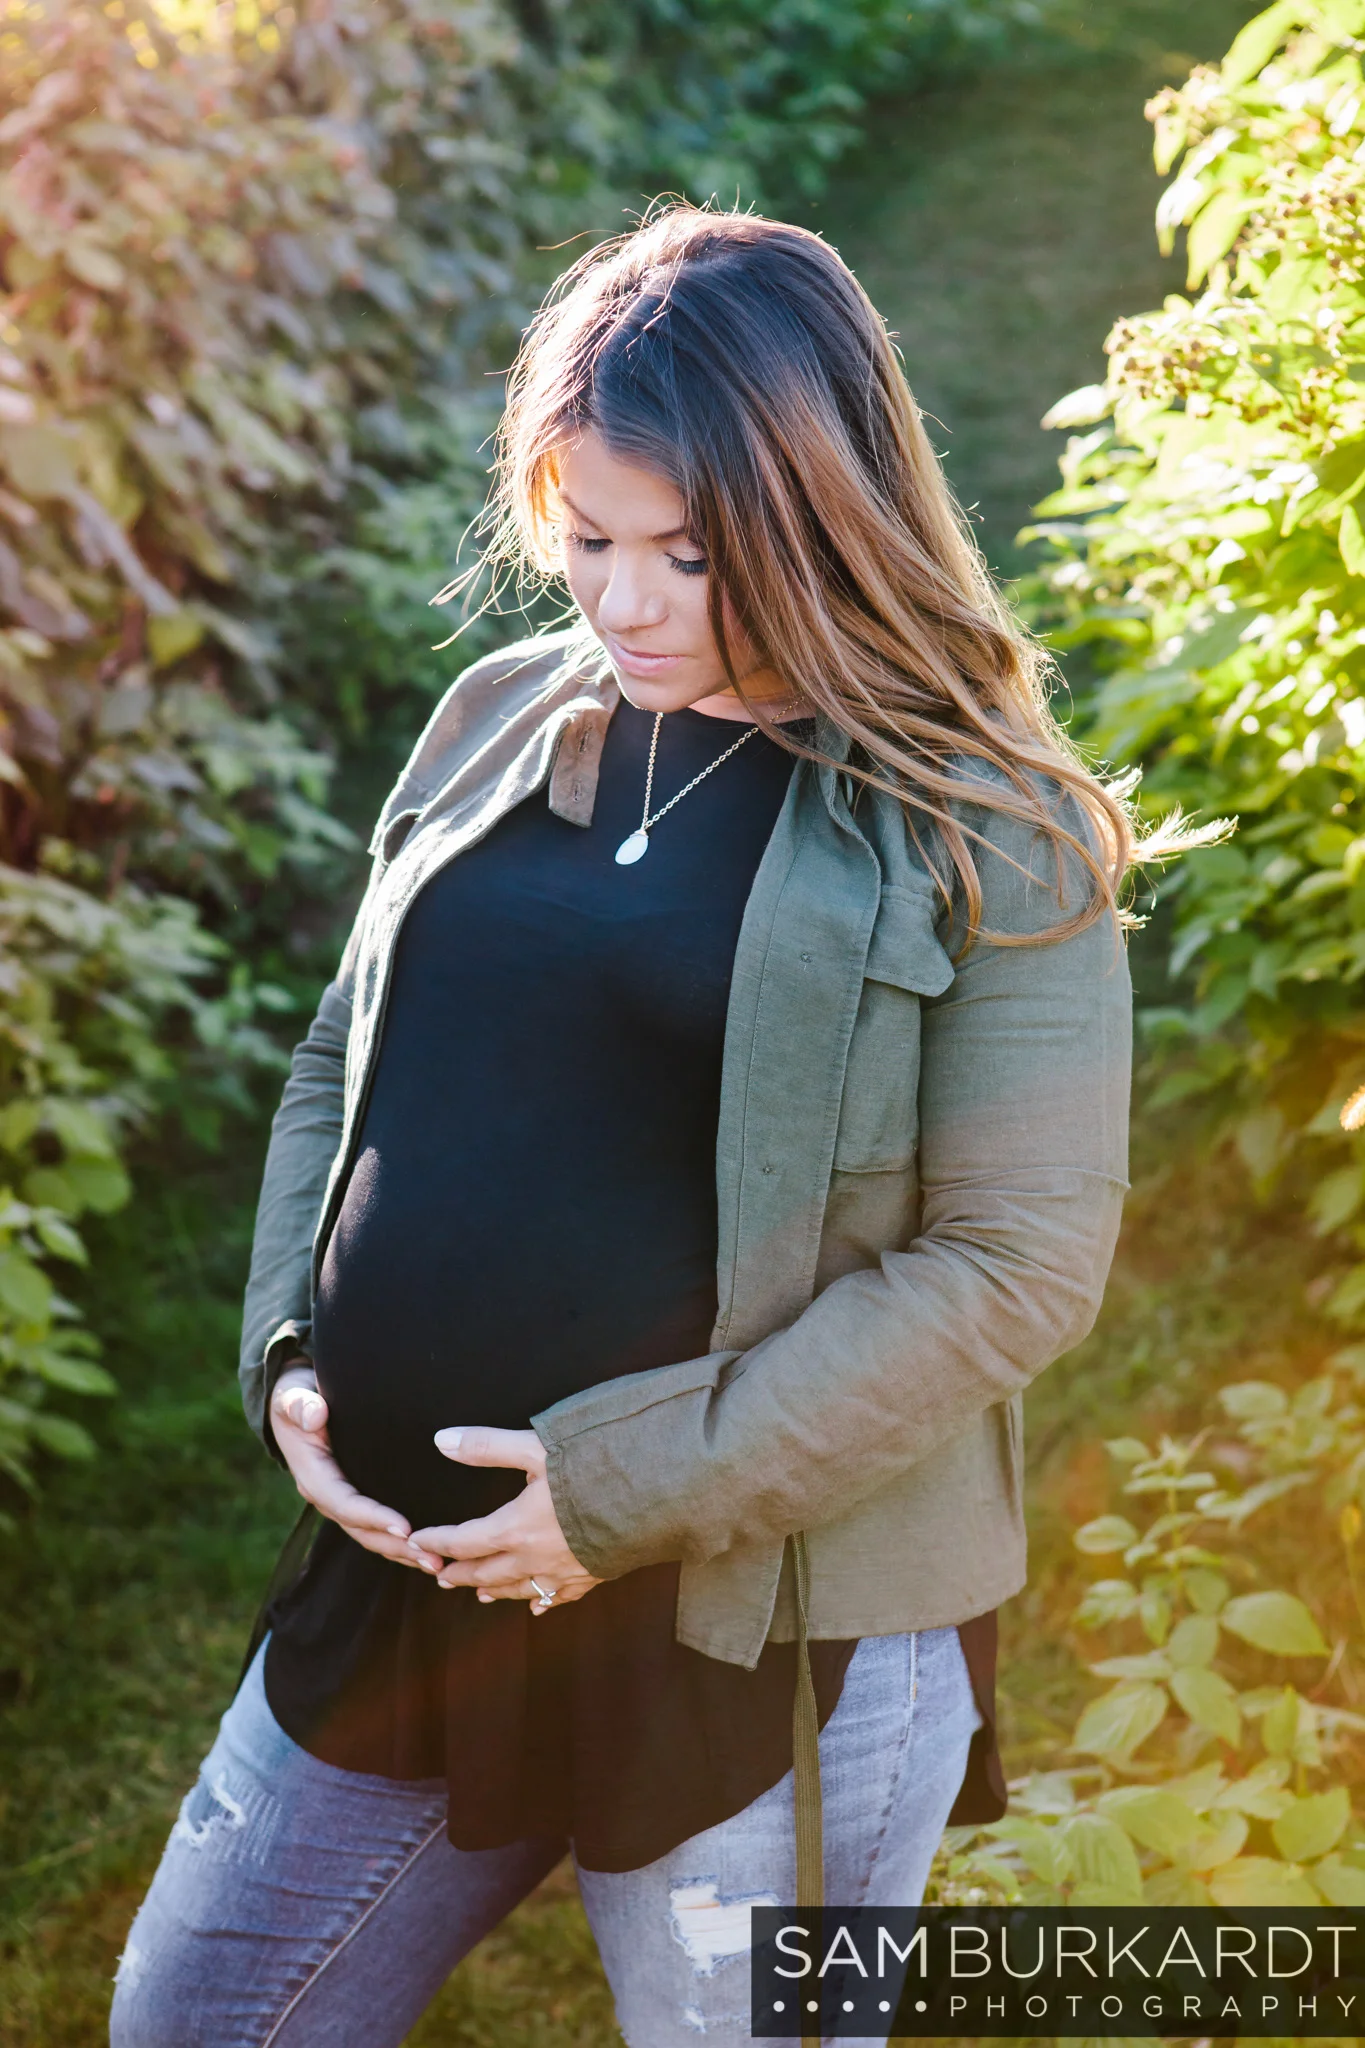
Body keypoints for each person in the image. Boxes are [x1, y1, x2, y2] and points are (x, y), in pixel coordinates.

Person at [110, 203, 1134, 2048]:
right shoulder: (497, 717)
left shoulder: (989, 825)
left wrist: (613, 1497)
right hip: (406, 1590)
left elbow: (1018, 1264)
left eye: (689, 553)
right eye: (587, 538)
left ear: (826, 518)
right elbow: (347, 1053)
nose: (626, 602)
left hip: (760, 1629)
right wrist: (290, 1350)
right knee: (196, 2021)